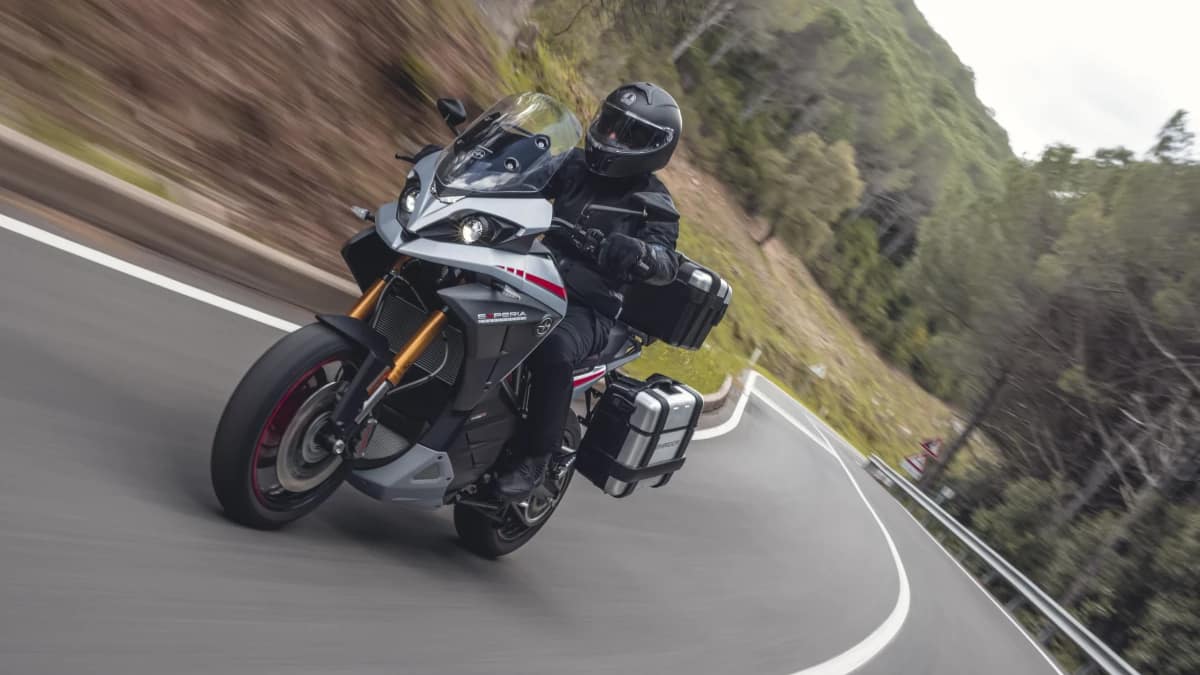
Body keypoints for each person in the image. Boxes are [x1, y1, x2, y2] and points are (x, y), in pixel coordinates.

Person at [495, 82, 684, 498]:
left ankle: (536, 458)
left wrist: (639, 253)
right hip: (532, 272)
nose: (612, 138)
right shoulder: (571, 164)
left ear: (653, 148)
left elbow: (665, 259)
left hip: (588, 307)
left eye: (628, 134)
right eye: (611, 124)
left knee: (552, 347)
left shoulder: (654, 202)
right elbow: (522, 174)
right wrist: (486, 161)